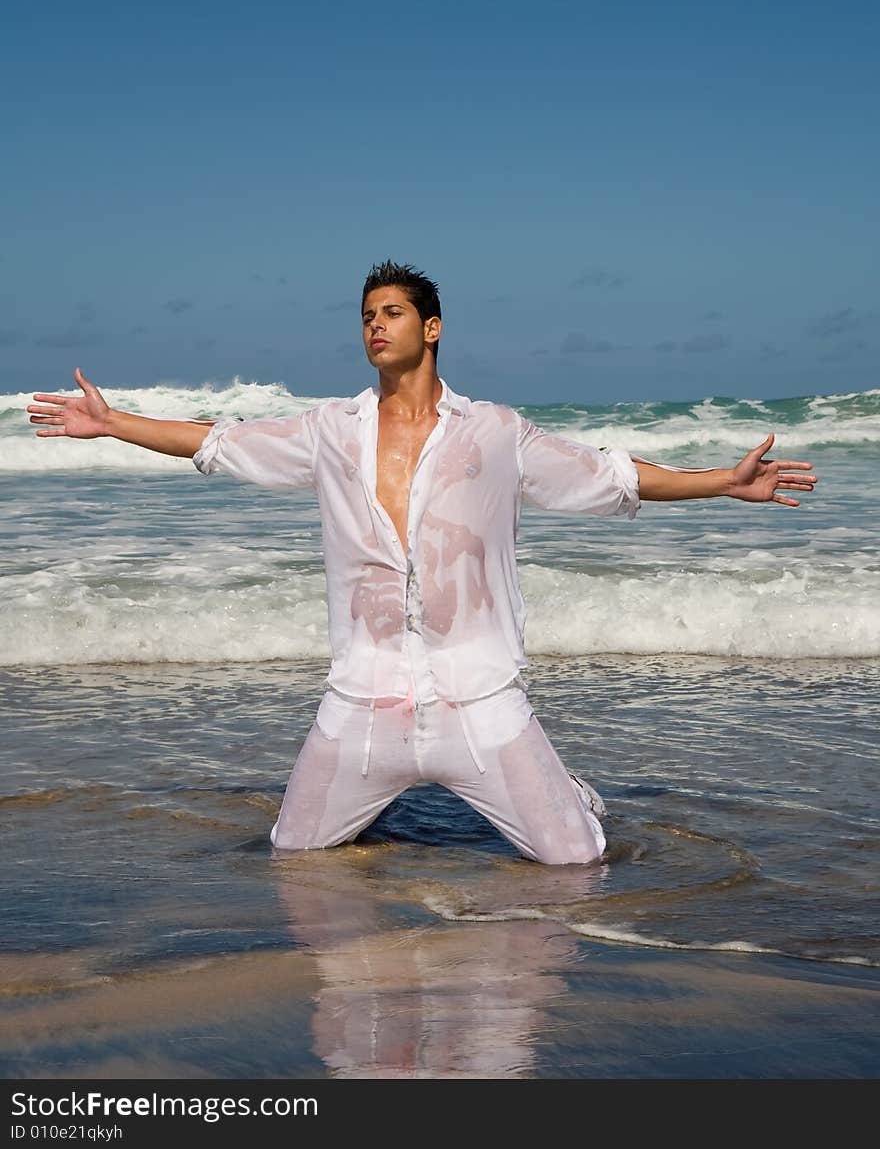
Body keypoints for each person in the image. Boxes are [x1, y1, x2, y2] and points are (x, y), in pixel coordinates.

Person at [28, 260, 818, 865]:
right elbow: (217, 441)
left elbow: (609, 474)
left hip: (479, 698)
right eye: (367, 315)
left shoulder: (496, 433)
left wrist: (723, 482)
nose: (376, 325)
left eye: (393, 311)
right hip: (362, 702)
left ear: (432, 328)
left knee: (579, 862)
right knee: (294, 858)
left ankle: (566, 794)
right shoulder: (331, 431)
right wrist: (115, 423)